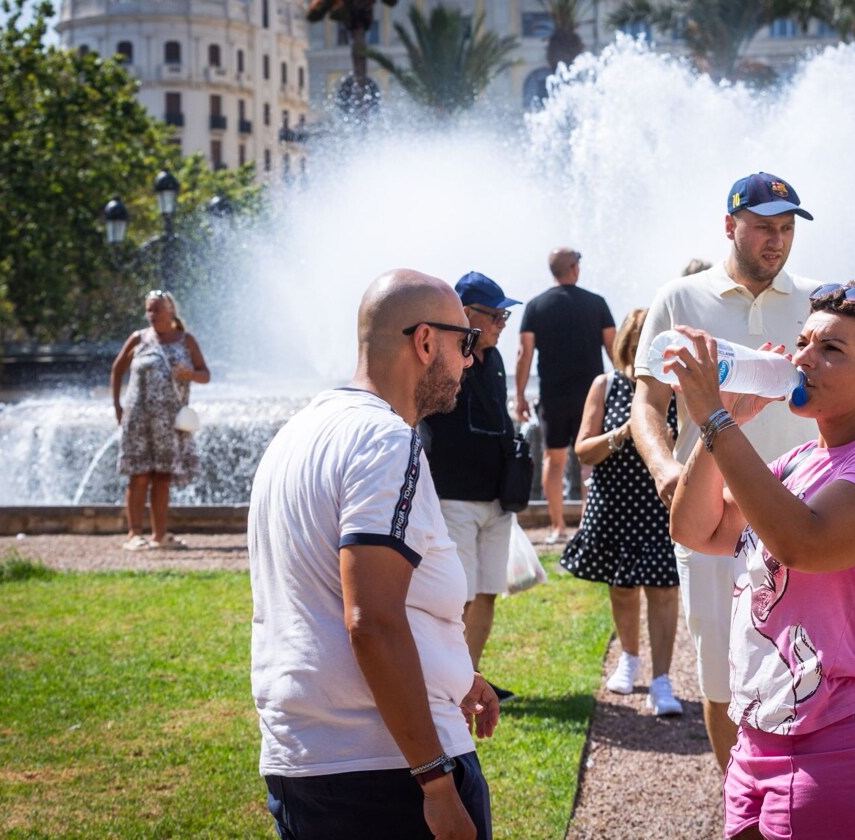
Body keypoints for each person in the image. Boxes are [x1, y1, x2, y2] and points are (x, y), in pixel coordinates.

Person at [668, 281, 855, 840]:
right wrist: (731, 419)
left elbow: (803, 544)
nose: (802, 358)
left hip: (847, 739)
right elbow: (696, 528)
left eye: (831, 349)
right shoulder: (794, 463)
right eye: (804, 341)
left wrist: (713, 418)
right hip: (759, 736)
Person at [250, 269, 500, 840]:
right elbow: (371, 621)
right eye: (466, 343)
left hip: (306, 760)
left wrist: (455, 672)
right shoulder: (386, 441)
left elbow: (328, 596)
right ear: (425, 341)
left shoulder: (297, 434)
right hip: (387, 772)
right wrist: (437, 785)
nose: (473, 360)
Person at [632, 173, 818, 773]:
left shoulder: (819, 302)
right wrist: (664, 467)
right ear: (729, 225)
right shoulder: (679, 298)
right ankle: (741, 810)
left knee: (810, 666)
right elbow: (646, 402)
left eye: (787, 228)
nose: (777, 240)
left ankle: (799, 802)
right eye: (764, 226)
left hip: (803, 513)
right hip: (713, 516)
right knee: (722, 675)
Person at [560, 309, 683, 716]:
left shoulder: (676, 389)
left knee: (664, 590)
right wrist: (621, 433)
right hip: (615, 502)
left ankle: (662, 681)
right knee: (623, 586)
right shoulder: (606, 384)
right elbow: (582, 449)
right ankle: (629, 660)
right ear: (631, 343)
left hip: (659, 503)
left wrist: (673, 443)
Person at [422, 271, 522, 701]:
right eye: (496, 315)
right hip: (454, 493)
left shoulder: (494, 359)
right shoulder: (439, 356)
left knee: (486, 592)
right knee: (454, 597)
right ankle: (444, 682)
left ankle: (469, 677)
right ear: (467, 314)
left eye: (505, 316)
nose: (502, 323)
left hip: (496, 495)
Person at [516, 247, 616, 545]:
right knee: (589, 461)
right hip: (592, 396)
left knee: (553, 459)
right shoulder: (596, 303)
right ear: (573, 268)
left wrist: (520, 395)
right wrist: (628, 383)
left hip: (553, 395)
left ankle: (558, 527)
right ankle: (587, 526)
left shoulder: (536, 306)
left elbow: (524, 353)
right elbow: (614, 349)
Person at [110, 290, 210, 551]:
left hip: (169, 421)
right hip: (138, 418)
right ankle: (134, 534)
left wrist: (189, 374)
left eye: (157, 309)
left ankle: (160, 535)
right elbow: (117, 369)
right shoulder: (138, 339)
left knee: (163, 476)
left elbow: (205, 374)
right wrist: (117, 406)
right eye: (149, 310)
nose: (152, 315)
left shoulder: (186, 340)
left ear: (171, 311)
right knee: (139, 474)